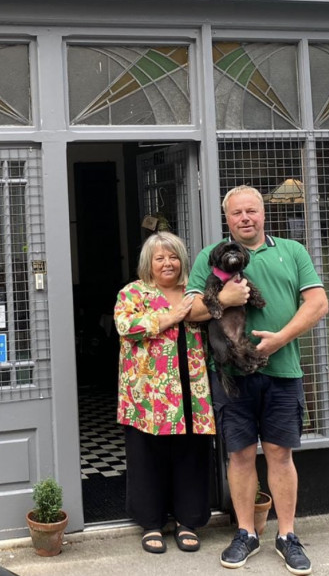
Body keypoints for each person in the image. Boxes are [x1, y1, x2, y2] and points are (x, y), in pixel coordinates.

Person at [186, 185, 329, 576]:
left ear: (263, 214)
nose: (245, 218)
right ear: (227, 219)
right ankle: (246, 533)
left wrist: (280, 339)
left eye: (251, 211)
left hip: (282, 371)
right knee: (240, 455)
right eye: (236, 213)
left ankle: (287, 536)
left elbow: (318, 303)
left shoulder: (292, 251)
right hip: (232, 376)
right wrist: (227, 300)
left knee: (281, 455)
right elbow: (191, 310)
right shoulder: (210, 257)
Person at [114, 231, 215, 555]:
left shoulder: (194, 293)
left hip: (191, 390)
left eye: (173, 257)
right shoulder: (133, 293)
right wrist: (170, 317)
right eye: (160, 258)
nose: (167, 263)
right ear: (149, 263)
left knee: (190, 457)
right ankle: (151, 523)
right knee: (148, 457)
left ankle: (189, 521)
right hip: (147, 395)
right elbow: (125, 326)